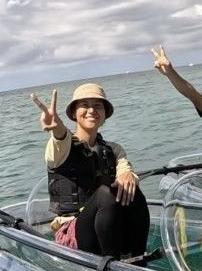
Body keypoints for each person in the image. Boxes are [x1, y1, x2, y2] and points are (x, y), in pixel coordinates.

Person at [32, 83, 150, 259]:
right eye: (84, 105)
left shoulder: (113, 149)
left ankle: (138, 264)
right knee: (106, 193)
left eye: (97, 106)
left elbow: (125, 169)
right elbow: (60, 137)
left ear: (104, 115)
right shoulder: (62, 147)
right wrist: (56, 127)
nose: (91, 110)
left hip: (109, 228)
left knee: (134, 193)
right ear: (73, 113)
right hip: (75, 232)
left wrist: (128, 175)